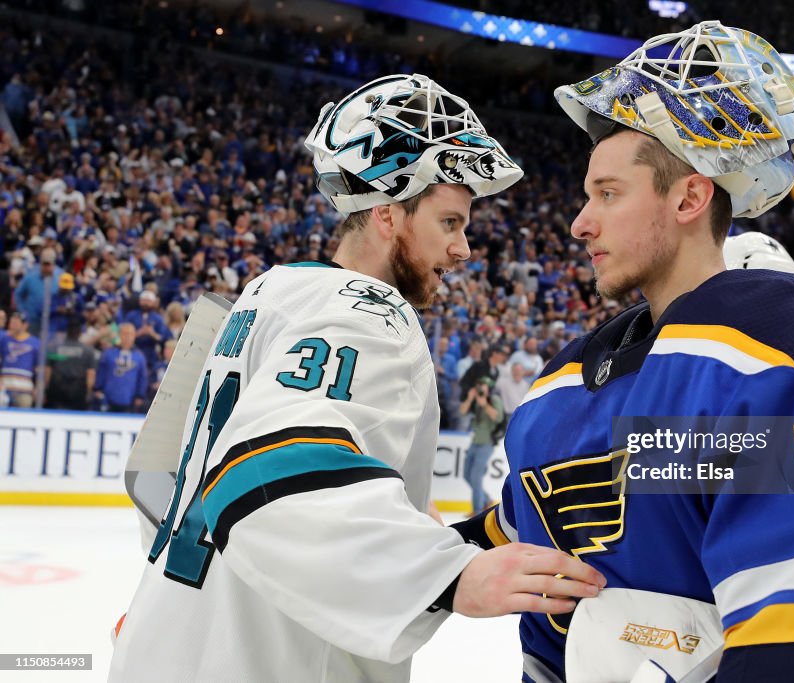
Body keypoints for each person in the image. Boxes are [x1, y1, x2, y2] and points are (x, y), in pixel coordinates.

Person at [452, 22, 794, 682]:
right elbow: (528, 536)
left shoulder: (777, 335)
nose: (580, 222)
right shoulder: (563, 381)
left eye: (608, 193)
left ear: (689, 196)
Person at [109, 74, 605, 683]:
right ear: (389, 214)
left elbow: (164, 478)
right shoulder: (369, 311)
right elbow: (265, 470)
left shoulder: (265, 293)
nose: (464, 250)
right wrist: (444, 575)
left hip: (169, 640)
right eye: (450, 222)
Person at [459, 375, 504, 515]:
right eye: (478, 385)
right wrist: (470, 398)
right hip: (475, 442)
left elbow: (498, 417)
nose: (480, 388)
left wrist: (484, 404)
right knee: (467, 475)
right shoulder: (475, 400)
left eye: (482, 385)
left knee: (476, 477)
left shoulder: (493, 399)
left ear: (488, 387)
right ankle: (487, 500)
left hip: (486, 443)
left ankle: (477, 510)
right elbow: (462, 411)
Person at [94, 321, 148, 413]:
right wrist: (98, 389)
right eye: (125, 334)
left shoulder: (139, 357)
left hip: (129, 401)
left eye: (130, 334)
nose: (127, 337)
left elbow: (142, 378)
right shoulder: (108, 354)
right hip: (108, 399)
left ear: (134, 336)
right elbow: (101, 372)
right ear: (119, 335)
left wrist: (140, 396)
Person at [45, 317, 97, 410]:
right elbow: (91, 375)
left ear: (67, 332)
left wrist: (46, 389)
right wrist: (88, 393)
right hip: (78, 392)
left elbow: (48, 371)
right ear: (80, 333)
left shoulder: (55, 348)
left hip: (57, 390)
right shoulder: (88, 351)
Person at [0, 311, 41, 407]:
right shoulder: (4, 339)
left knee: (24, 417)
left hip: (25, 390)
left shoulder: (35, 343)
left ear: (25, 325)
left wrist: (38, 388)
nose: (12, 325)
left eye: (16, 323)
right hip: (4, 388)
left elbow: (39, 369)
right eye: (11, 322)